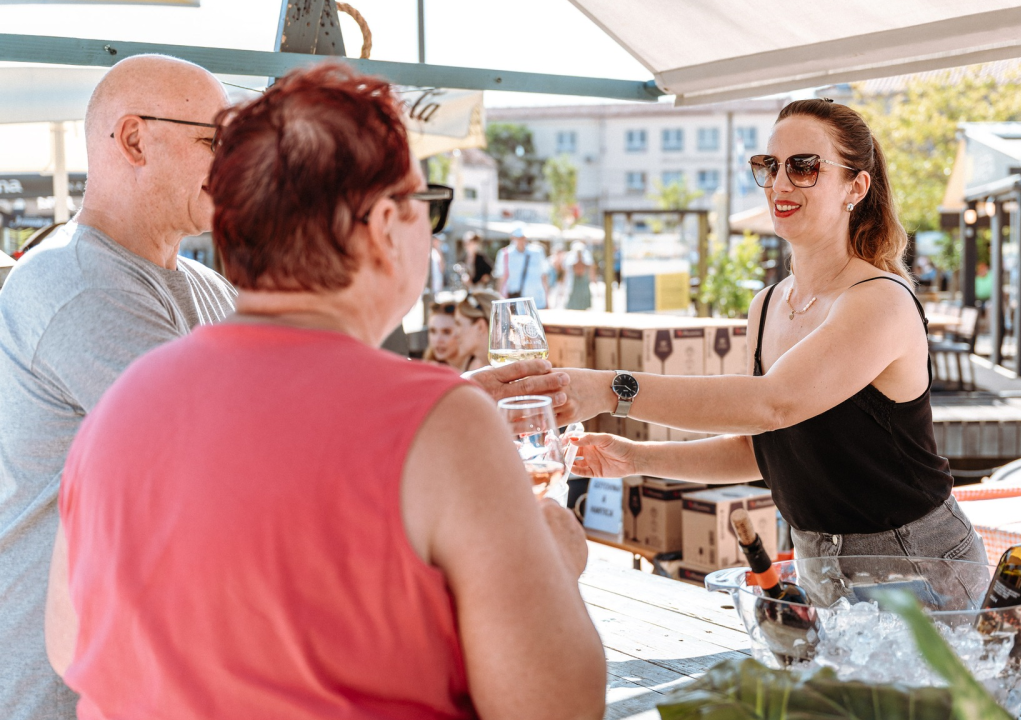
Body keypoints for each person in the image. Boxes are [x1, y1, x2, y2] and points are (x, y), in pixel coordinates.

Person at [44, 62, 605, 720]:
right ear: (384, 225)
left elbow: (71, 642)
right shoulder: (444, 425)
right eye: (427, 206)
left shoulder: (123, 403)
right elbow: (556, 705)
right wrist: (556, 564)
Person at [560, 99, 987, 595]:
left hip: (915, 561)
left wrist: (614, 389)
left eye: (804, 167)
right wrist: (634, 458)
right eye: (769, 166)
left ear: (857, 186)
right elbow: (759, 447)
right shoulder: (767, 305)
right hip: (817, 562)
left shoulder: (880, 301)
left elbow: (771, 404)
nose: (781, 184)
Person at [0, 55, 239, 720]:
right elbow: (232, 462)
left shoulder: (206, 286)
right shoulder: (74, 283)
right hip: (64, 694)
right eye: (214, 141)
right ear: (134, 140)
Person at [495, 224, 549, 308]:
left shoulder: (537, 252)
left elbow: (544, 276)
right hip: (516, 302)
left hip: (537, 301)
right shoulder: (505, 254)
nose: (521, 240)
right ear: (512, 238)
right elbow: (501, 278)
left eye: (523, 237)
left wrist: (547, 300)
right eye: (518, 237)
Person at [454, 290, 501, 373]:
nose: (455, 334)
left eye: (459, 324)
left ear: (480, 327)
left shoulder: (509, 368)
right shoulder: (470, 363)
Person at [565, 241, 595, 311]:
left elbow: (590, 272)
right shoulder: (571, 261)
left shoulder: (587, 261)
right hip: (575, 286)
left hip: (583, 285)